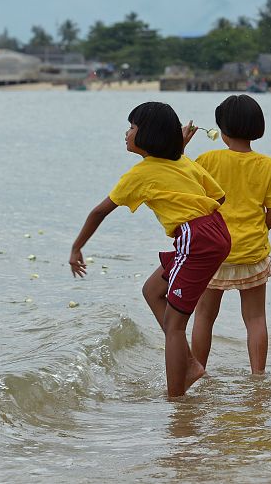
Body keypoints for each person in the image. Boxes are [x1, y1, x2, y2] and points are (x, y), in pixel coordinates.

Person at [69, 101, 231, 397]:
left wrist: (76, 248)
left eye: (132, 127)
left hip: (195, 239)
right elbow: (218, 197)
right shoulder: (184, 162)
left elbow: (99, 212)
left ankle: (176, 397)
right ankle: (191, 364)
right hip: (213, 231)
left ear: (149, 135)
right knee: (152, 291)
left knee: (174, 325)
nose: (126, 133)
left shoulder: (140, 174)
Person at [190, 95, 271, 375]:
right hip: (252, 251)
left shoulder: (206, 160)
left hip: (213, 251)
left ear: (223, 131)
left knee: (205, 316)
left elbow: (192, 200)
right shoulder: (267, 164)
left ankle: (198, 372)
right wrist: (256, 232)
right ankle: (258, 376)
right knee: (256, 318)